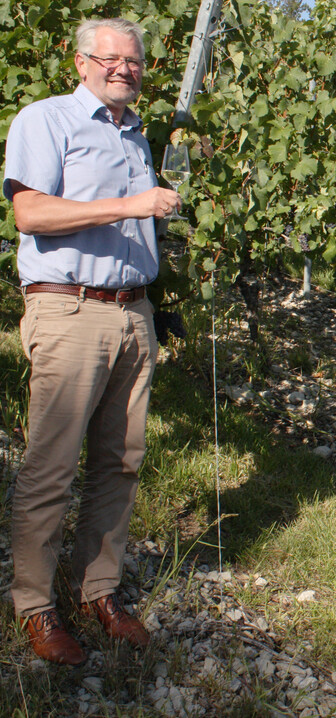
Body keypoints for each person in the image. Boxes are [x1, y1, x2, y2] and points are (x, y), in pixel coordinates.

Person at [3, 18, 181, 665]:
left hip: (133, 314)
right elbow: (31, 214)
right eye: (110, 59)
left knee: (120, 460)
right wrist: (130, 206)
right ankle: (35, 605)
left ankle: (97, 591)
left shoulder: (135, 135)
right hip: (70, 310)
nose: (124, 70)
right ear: (81, 63)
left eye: (133, 62)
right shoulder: (46, 120)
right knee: (51, 465)